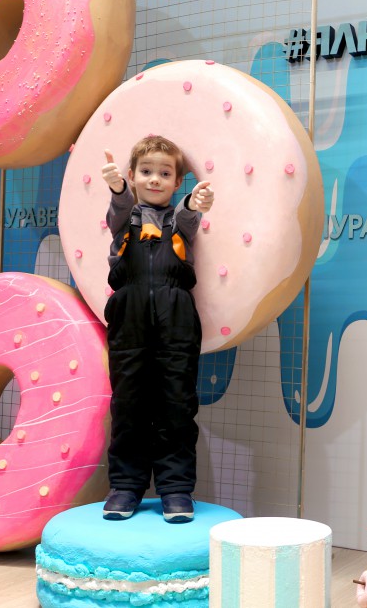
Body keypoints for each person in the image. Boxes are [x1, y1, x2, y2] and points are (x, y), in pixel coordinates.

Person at [99, 135, 214, 523]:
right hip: (129, 316)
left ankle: (176, 489)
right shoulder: (124, 217)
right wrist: (116, 188)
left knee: (176, 404)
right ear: (132, 176)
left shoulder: (179, 220)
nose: (154, 179)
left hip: (176, 316)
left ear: (177, 180)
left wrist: (196, 204)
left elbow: (188, 214)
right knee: (128, 403)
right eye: (146, 172)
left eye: (164, 173)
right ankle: (126, 487)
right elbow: (117, 207)